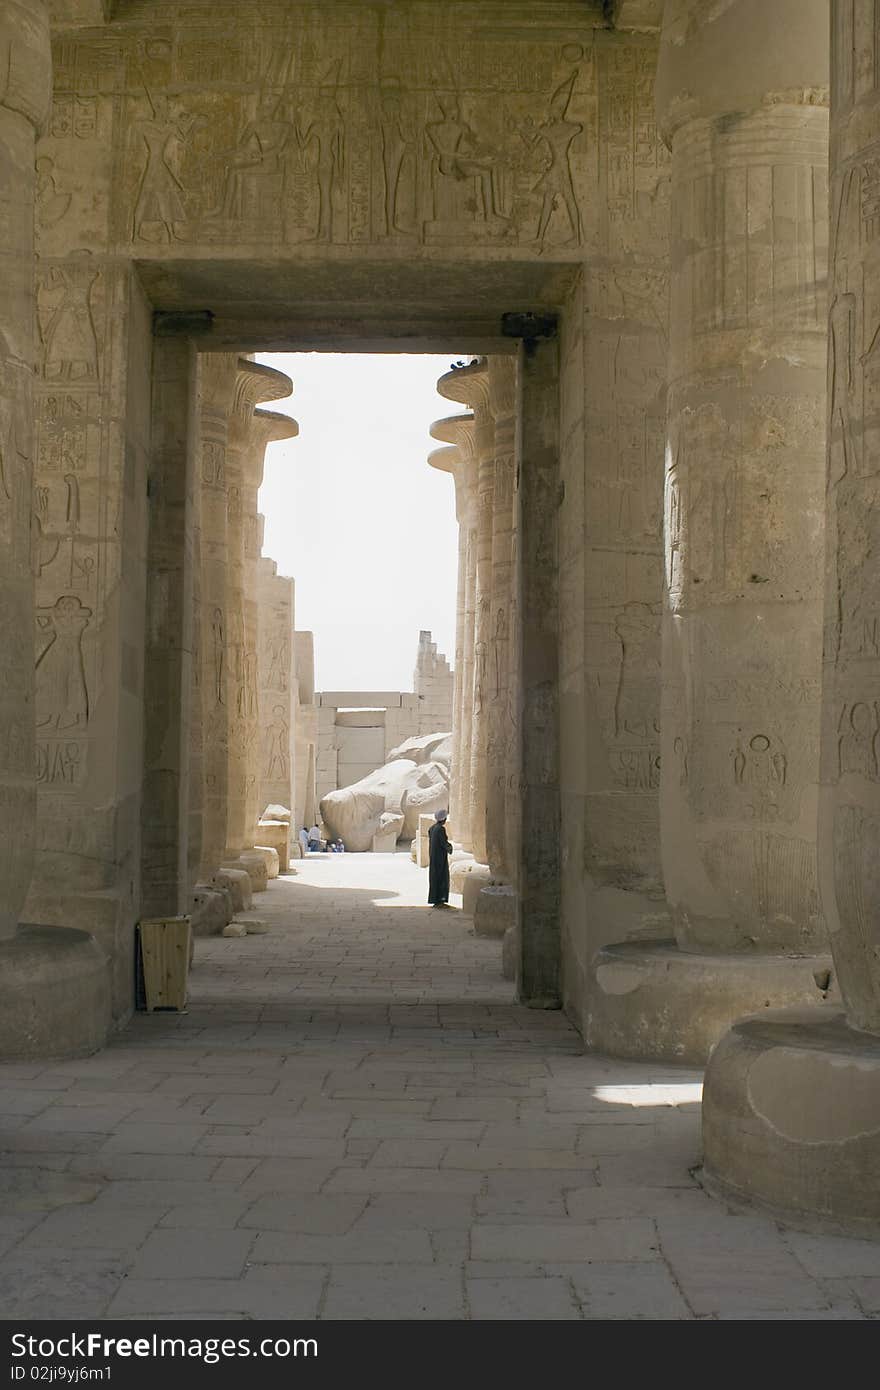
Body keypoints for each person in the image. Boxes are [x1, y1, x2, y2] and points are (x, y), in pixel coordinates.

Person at [427, 808, 452, 907]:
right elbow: (443, 842)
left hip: (434, 857)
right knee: (442, 878)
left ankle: (435, 899)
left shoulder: (432, 828)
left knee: (434, 878)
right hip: (440, 858)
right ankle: (440, 900)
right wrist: (449, 847)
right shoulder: (441, 829)